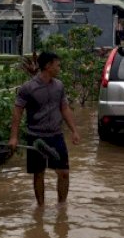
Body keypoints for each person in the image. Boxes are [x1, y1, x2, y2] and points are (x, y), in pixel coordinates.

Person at [8, 52, 80, 207]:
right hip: (36, 137)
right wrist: (13, 137)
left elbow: (64, 108)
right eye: (57, 64)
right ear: (48, 66)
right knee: (38, 174)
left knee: (64, 173)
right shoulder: (28, 88)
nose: (59, 68)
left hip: (56, 135)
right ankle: (40, 209)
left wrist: (74, 130)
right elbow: (17, 111)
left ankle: (62, 207)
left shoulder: (59, 86)